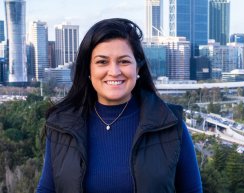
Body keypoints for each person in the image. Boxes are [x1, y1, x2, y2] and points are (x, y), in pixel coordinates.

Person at [37, 18, 203, 193]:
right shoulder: (62, 125)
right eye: (102, 62)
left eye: (124, 61)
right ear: (88, 69)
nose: (114, 71)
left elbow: (192, 189)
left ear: (138, 68)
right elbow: (47, 188)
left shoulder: (170, 124)